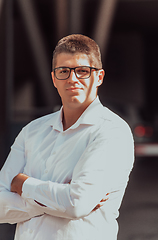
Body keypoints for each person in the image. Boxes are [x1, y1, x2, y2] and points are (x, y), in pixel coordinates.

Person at [0, 34, 134, 240]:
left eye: (82, 71)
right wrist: (55, 201)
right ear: (54, 78)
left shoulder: (112, 131)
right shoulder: (32, 130)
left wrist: (23, 185)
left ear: (98, 77)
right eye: (64, 71)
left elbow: (76, 204)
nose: (72, 79)